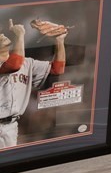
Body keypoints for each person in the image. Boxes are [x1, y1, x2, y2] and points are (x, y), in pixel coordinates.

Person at [0, 19, 66, 149]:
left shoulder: (28, 63)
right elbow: (15, 65)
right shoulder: (16, 63)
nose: (2, 35)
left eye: (2, 34)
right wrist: (19, 35)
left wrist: (60, 40)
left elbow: (57, 69)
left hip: (11, 125)